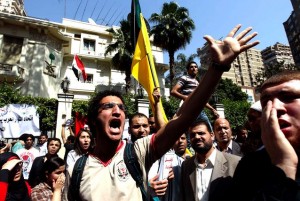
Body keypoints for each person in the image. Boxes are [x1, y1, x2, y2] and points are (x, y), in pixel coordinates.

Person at [63, 24, 259, 201]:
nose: (117, 111)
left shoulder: (136, 152)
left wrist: (217, 68)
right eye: (108, 107)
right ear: (93, 121)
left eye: (122, 108)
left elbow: (183, 119)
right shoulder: (76, 170)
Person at [229, 70, 300, 201]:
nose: (275, 107)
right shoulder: (249, 167)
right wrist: (284, 167)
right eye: (266, 102)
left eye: (288, 97)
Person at [181, 119, 241, 201]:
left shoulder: (235, 163)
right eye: (192, 135)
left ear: (212, 135)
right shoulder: (186, 166)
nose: (197, 137)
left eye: (201, 133)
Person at [170, 61, 219, 130]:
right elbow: (173, 91)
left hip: (199, 110)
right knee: (189, 132)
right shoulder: (185, 78)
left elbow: (201, 100)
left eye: (195, 67)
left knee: (208, 130)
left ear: (197, 69)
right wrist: (187, 98)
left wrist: (212, 109)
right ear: (188, 70)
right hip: (188, 109)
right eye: (191, 67)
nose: (194, 68)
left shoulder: (197, 83)